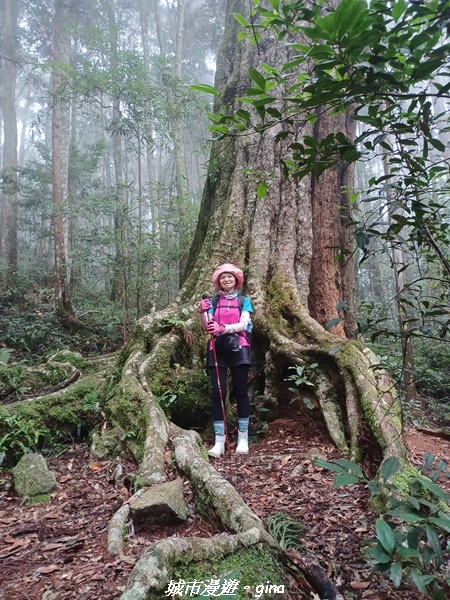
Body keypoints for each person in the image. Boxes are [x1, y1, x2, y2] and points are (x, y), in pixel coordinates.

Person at [198, 263, 253, 458]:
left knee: (240, 391)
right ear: (218, 282)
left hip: (240, 347)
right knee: (217, 392)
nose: (226, 279)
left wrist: (224, 328)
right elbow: (207, 325)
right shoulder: (213, 300)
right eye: (223, 277)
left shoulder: (244, 301)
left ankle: (243, 438)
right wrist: (202, 312)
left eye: (230, 276)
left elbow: (244, 324)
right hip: (217, 348)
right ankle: (219, 441)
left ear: (236, 280)